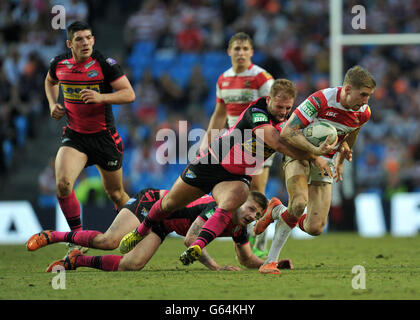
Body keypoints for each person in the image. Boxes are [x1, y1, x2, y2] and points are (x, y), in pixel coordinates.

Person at [119, 79, 337, 265]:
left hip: (238, 174)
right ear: (269, 100)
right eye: (279, 107)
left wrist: (338, 144)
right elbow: (276, 143)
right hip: (213, 161)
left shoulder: (287, 121)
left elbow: (298, 138)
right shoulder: (257, 112)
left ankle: (197, 246)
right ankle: (141, 231)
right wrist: (315, 156)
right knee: (169, 204)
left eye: (288, 108)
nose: (284, 112)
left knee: (231, 202)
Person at [254, 65, 376, 274]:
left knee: (315, 227)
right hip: (298, 155)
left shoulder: (363, 112)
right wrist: (314, 153)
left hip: (324, 161)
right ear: (347, 89)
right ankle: (270, 262)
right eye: (363, 95)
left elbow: (351, 133)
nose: (366, 101)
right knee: (299, 203)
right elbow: (287, 132)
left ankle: (275, 210)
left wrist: (342, 153)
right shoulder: (321, 100)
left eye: (369, 96)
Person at [26, 188, 288, 272]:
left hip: (163, 224)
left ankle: (75, 261)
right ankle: (52, 235)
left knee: (133, 264)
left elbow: (245, 259)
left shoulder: (237, 226)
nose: (253, 216)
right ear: (239, 202)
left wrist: (271, 262)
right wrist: (216, 268)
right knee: (110, 241)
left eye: (257, 214)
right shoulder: (217, 209)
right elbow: (190, 240)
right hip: (152, 203)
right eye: (251, 209)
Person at [44, 21, 135, 253]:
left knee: (116, 194)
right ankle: (77, 238)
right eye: (79, 39)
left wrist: (101, 98)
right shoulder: (59, 64)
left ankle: (143, 230)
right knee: (63, 184)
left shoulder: (105, 65)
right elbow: (50, 81)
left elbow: (129, 94)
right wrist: (52, 103)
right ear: (69, 43)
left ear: (93, 39)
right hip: (76, 136)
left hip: (105, 138)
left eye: (88, 38)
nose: (85, 43)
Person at [200, 32, 275, 257]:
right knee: (238, 192)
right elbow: (220, 112)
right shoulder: (223, 79)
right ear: (229, 51)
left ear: (251, 52)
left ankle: (259, 246)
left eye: (245, 49)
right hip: (233, 145)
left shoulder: (262, 78)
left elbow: (274, 111)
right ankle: (243, 240)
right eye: (237, 48)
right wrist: (207, 140)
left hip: (259, 144)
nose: (241, 53)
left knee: (258, 193)